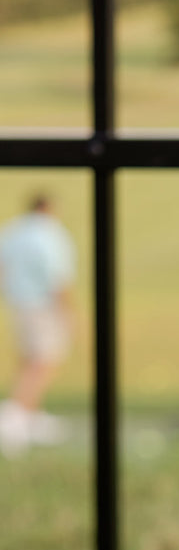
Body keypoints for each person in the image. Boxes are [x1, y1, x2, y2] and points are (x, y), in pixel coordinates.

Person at [0, 193, 76, 457]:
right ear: (49, 208)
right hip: (43, 305)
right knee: (43, 362)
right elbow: (57, 277)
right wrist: (67, 312)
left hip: (19, 303)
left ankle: (30, 414)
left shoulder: (14, 230)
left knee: (29, 357)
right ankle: (15, 418)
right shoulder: (49, 234)